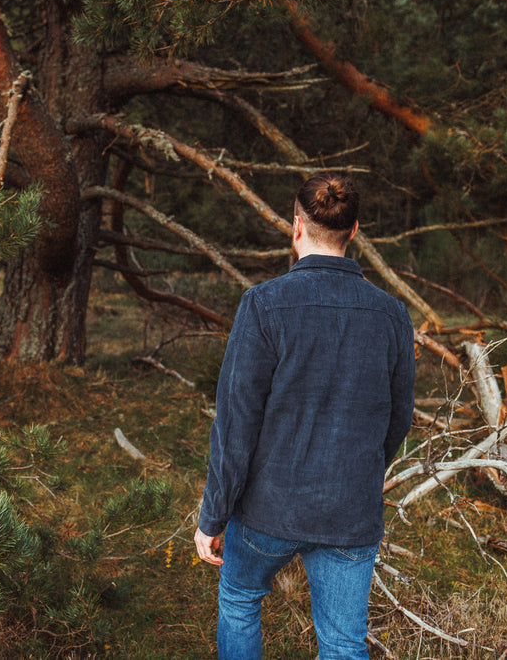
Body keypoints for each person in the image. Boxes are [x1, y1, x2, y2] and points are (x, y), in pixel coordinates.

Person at [194, 174, 416, 660]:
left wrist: (213, 515)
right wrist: (362, 471)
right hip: (349, 510)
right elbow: (399, 416)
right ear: (354, 231)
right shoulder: (392, 314)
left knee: (239, 599)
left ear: (296, 227)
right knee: (342, 644)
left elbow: (236, 423)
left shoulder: (262, 304)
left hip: (268, 508)